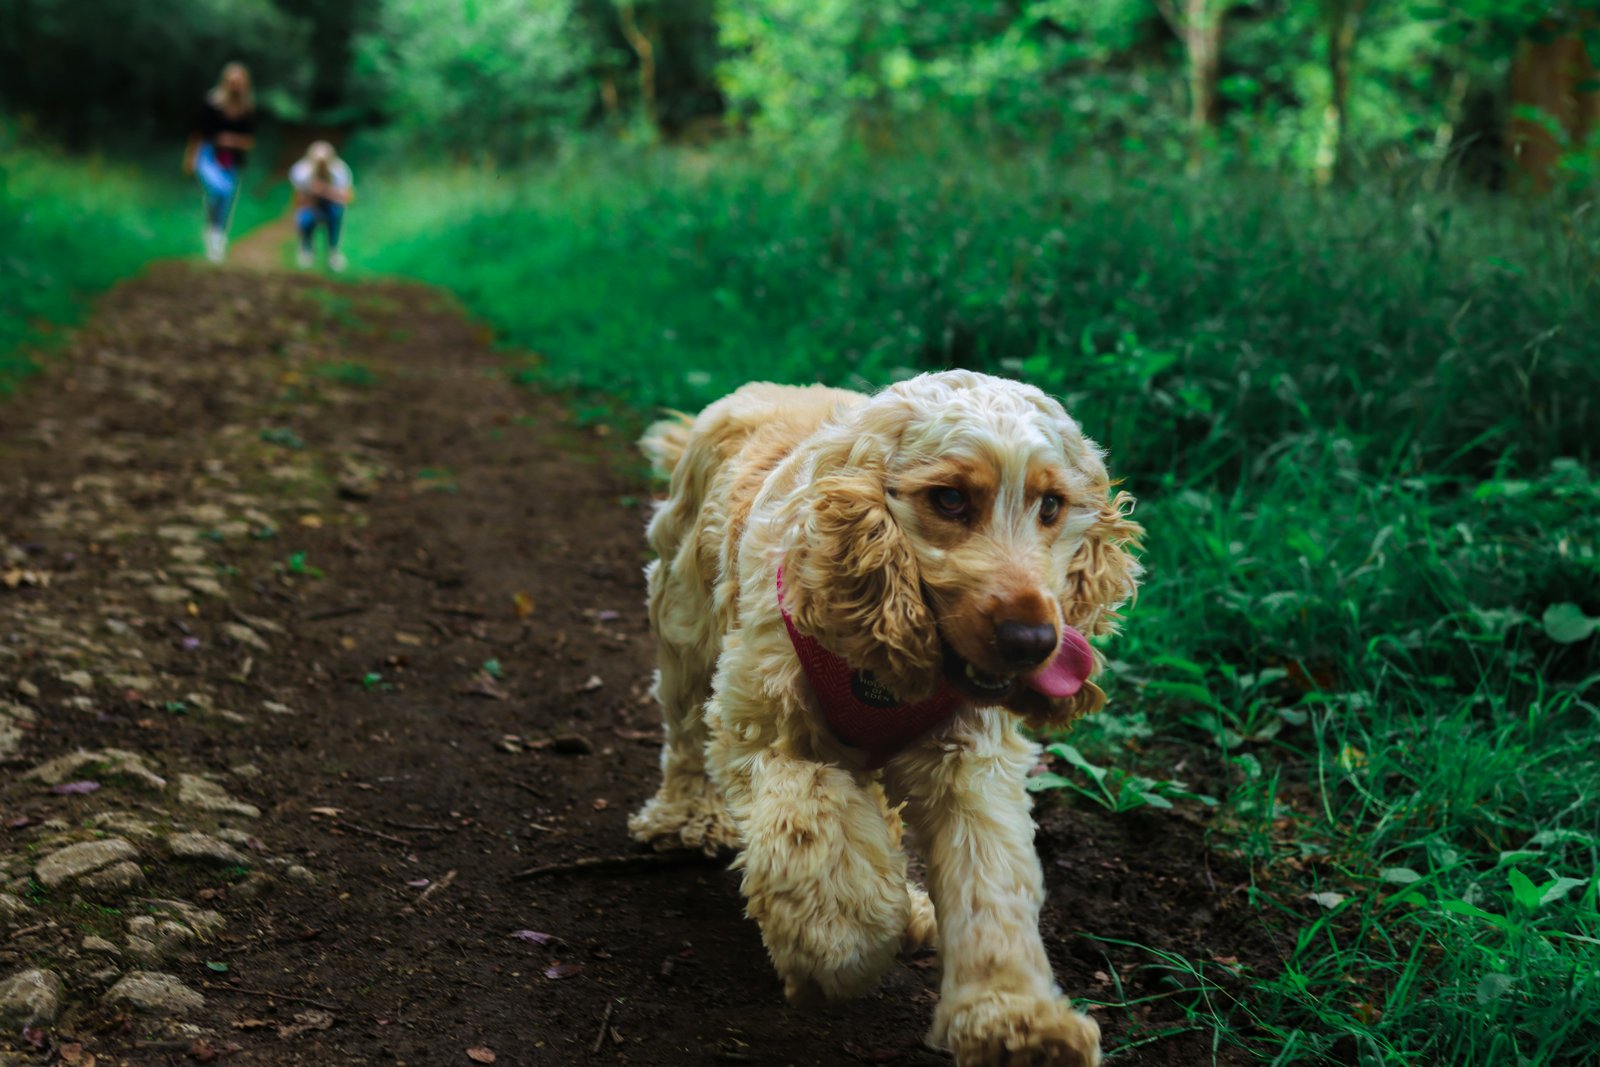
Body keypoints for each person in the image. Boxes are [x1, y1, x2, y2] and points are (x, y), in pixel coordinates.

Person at [184, 62, 257, 264]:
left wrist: (231, 140)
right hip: (208, 155)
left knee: (225, 199)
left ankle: (216, 237)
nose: (235, 86)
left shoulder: (247, 108)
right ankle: (213, 233)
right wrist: (190, 157)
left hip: (232, 159)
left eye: (238, 82)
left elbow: (250, 140)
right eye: (231, 82)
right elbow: (197, 132)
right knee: (219, 191)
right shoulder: (212, 102)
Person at [289, 141, 355, 272]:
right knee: (305, 218)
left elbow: (348, 198)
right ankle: (306, 250)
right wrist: (310, 193)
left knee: (336, 213)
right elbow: (297, 201)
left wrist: (325, 191)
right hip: (311, 207)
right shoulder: (301, 171)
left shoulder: (340, 171)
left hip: (331, 207)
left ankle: (333, 252)